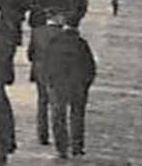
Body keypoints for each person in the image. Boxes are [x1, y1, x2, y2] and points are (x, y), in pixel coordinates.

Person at [39, 19, 98, 158]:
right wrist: (87, 83)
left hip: (58, 83)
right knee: (77, 114)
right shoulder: (81, 44)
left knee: (58, 115)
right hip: (78, 84)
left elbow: (46, 64)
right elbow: (90, 67)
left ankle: (61, 147)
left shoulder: (54, 43)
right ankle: (77, 145)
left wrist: (48, 81)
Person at [26, 11, 59, 147]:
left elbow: (30, 54)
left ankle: (42, 135)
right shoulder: (61, 34)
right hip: (56, 72)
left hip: (40, 70)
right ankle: (58, 135)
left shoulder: (37, 32)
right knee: (56, 104)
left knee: (42, 102)